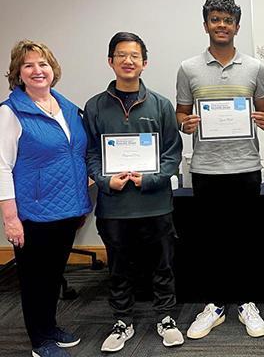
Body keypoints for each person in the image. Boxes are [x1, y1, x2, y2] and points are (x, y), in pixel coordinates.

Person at [176, 0, 264, 339]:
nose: (221, 25)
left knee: (246, 239)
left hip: (246, 166)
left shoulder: (255, 68)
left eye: (227, 20)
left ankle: (246, 302)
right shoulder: (188, 68)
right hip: (206, 168)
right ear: (206, 25)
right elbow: (182, 113)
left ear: (237, 27)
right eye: (215, 19)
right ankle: (215, 305)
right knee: (211, 240)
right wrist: (186, 124)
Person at [83, 32, 184, 352]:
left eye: (134, 56)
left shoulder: (161, 105)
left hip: (155, 204)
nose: (128, 61)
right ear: (110, 61)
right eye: (121, 55)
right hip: (114, 207)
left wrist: (150, 179)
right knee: (118, 266)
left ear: (144, 63)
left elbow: (172, 153)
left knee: (162, 265)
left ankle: (166, 317)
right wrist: (103, 180)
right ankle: (122, 321)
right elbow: (90, 153)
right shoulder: (95, 106)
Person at [0, 40, 92, 357]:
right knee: (34, 278)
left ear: (53, 69)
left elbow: (77, 154)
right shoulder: (11, 112)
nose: (38, 70)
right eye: (29, 65)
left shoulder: (67, 107)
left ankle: (50, 325)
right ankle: (39, 340)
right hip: (32, 212)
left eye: (43, 64)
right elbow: (1, 166)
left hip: (67, 208)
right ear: (18, 74)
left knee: (53, 274)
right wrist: (10, 219)